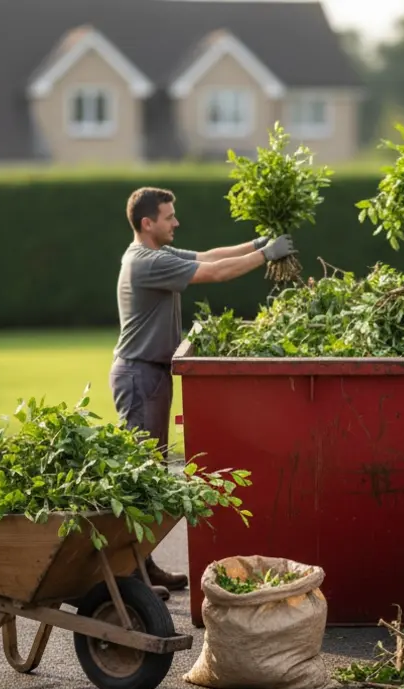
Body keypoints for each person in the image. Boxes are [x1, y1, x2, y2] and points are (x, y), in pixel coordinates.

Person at [111, 186, 298, 593]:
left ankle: (143, 564)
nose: (176, 222)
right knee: (142, 477)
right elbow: (214, 274)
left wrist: (256, 244)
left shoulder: (155, 254)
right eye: (169, 217)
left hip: (149, 373)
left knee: (151, 473)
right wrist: (267, 255)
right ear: (147, 223)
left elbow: (208, 257)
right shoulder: (147, 262)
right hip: (140, 376)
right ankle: (131, 574)